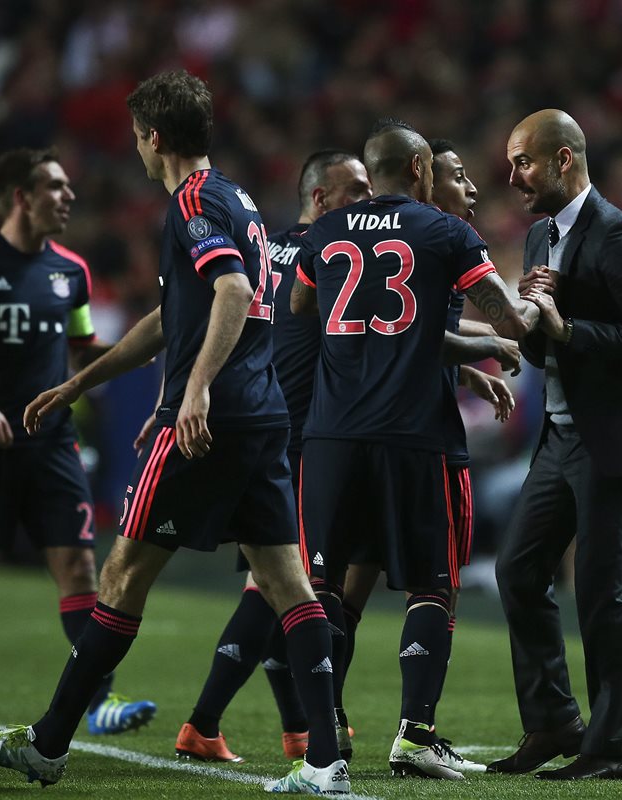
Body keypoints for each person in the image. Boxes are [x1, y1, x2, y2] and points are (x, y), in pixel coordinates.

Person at [0, 70, 351, 796]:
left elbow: (231, 290)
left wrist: (192, 390)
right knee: (289, 585)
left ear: (155, 137)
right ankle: (326, 763)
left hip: (213, 420)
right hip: (261, 415)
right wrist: (83, 382)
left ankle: (45, 746)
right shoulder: (237, 198)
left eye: (138, 137)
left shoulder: (193, 202)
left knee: (122, 573)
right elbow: (179, 318)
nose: (137, 149)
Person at [290, 118, 539, 781]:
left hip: (334, 433)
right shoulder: (445, 233)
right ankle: (416, 732)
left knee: (323, 587)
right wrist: (532, 309)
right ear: (423, 170)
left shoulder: (325, 232)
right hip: (412, 433)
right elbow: (509, 317)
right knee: (432, 584)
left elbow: (301, 303)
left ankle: (322, 741)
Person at [0, 147, 154, 736]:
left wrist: (152, 343)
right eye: (55, 186)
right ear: (21, 197)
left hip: (52, 441)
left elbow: (81, 349)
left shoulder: (71, 271)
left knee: (80, 567)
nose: (69, 196)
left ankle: (99, 701)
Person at [488, 109, 622, 781]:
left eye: (524, 162)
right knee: (517, 569)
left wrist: (568, 330)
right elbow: (550, 341)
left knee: (600, 589)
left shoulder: (618, 234)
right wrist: (530, 325)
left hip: (616, 437)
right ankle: (553, 723)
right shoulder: (542, 235)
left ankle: (612, 747)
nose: (512, 176)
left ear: (564, 160)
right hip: (563, 434)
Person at [173, 150, 372, 765]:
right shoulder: (339, 258)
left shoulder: (265, 248)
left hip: (264, 424)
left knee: (280, 581)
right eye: (355, 191)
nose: (367, 205)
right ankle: (212, 722)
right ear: (319, 198)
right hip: (305, 434)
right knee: (291, 585)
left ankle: (294, 726)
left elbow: (195, 314)